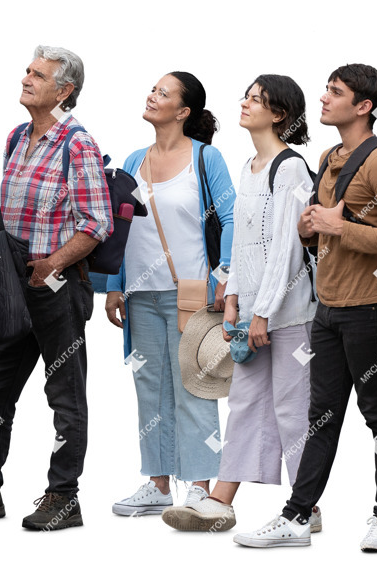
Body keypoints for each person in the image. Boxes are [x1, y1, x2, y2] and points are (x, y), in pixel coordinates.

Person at [234, 64, 377, 550]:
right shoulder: (330, 156)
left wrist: (339, 227)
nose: (325, 98)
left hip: (371, 308)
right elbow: (314, 231)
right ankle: (296, 515)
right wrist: (309, 228)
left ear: (363, 106)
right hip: (327, 309)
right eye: (326, 90)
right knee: (321, 417)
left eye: (336, 92)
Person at [160, 74, 319, 532]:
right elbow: (246, 245)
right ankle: (220, 501)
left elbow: (287, 251)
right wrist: (232, 301)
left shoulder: (289, 168)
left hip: (287, 314)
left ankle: (304, 504)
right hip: (251, 314)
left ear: (280, 114)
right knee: (247, 404)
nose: (245, 104)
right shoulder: (250, 165)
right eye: (246, 97)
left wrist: (263, 311)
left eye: (256, 100)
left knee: (292, 409)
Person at [0, 46, 112, 531]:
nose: (27, 78)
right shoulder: (14, 138)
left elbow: (97, 223)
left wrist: (49, 263)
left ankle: (63, 498)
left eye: (38, 74)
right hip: (12, 288)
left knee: (65, 395)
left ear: (64, 90)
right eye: (28, 71)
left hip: (55, 288)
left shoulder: (78, 144)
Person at [104, 72, 235, 515]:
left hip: (191, 292)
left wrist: (224, 275)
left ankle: (198, 485)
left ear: (184, 112)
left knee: (196, 386)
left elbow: (231, 217)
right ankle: (158, 484)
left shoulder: (206, 158)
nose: (151, 94)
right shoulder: (133, 159)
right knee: (149, 387)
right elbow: (121, 225)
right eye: (152, 88)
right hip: (140, 293)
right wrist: (114, 285)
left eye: (163, 92)